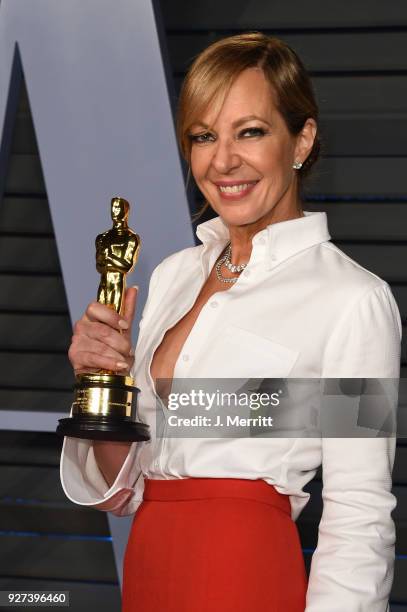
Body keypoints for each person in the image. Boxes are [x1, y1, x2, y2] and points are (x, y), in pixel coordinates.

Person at [60, 33, 402, 611]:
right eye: (203, 136)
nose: (222, 161)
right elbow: (123, 490)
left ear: (302, 139)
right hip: (148, 567)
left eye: (250, 132)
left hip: (242, 577)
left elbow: (360, 510)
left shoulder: (354, 300)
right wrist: (101, 387)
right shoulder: (171, 277)